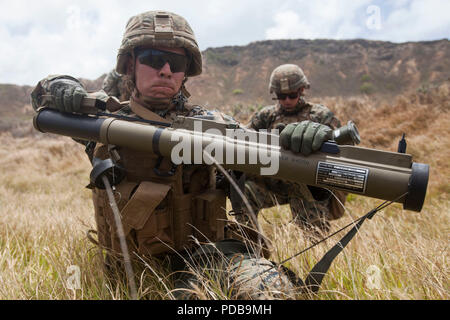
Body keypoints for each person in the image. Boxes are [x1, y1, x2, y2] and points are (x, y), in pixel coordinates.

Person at [30, 12, 334, 299]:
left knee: (271, 293)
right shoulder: (103, 125)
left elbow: (269, 174)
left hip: (208, 255)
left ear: (186, 71)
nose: (165, 69)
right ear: (130, 63)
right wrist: (58, 84)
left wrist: (302, 155)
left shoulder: (215, 127)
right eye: (153, 58)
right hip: (131, 268)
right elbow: (44, 101)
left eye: (176, 62)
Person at [237, 64, 348, 236]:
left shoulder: (320, 115)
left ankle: (314, 255)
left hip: (307, 184)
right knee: (245, 192)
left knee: (313, 232)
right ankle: (247, 246)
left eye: (292, 95)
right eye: (281, 96)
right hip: (274, 182)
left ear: (302, 90)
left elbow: (340, 150)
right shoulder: (266, 116)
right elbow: (244, 141)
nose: (287, 100)